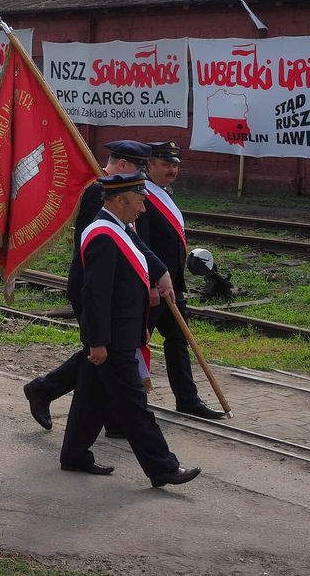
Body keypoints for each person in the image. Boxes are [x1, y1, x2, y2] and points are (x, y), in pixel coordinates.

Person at [59, 174, 201, 487]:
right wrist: (97, 342)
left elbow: (131, 285)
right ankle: (162, 467)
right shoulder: (102, 236)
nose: (143, 209)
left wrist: (139, 329)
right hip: (110, 339)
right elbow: (94, 296)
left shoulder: (119, 229)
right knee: (135, 407)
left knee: (91, 397)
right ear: (121, 200)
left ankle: (74, 455)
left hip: (120, 335)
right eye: (139, 202)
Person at [22, 140, 173, 431]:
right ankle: (111, 418)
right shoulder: (99, 194)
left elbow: (133, 238)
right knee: (104, 349)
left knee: (103, 354)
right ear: (124, 166)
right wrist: (152, 276)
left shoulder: (119, 192)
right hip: (96, 286)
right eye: (139, 167)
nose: (143, 175)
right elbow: (110, 244)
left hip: (116, 286)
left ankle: (53, 398)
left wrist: (158, 271)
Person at [136, 141, 225, 419]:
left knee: (178, 341)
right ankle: (49, 388)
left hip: (172, 285)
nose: (172, 169)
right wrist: (151, 284)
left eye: (175, 165)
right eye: (165, 164)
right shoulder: (143, 197)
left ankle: (187, 399)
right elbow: (143, 243)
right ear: (149, 165)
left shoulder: (164, 193)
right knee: (130, 344)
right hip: (151, 286)